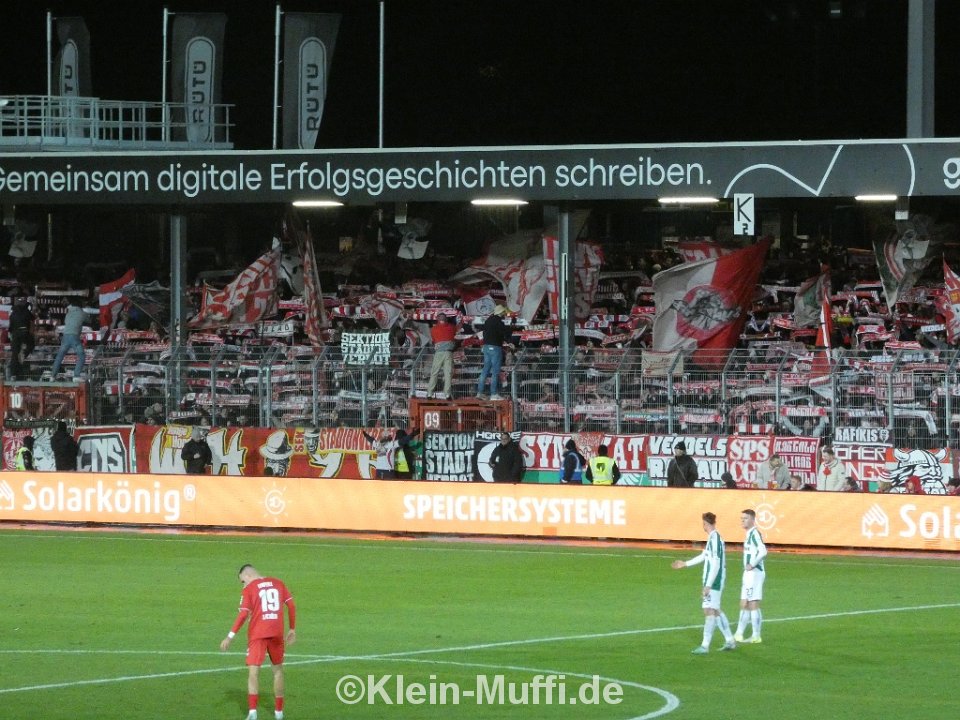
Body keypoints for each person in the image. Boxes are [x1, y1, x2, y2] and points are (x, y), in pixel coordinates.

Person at [220, 564, 296, 720]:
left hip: (258, 634)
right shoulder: (278, 583)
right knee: (278, 671)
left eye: (242, 581)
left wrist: (229, 636)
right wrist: (292, 629)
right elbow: (291, 605)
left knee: (253, 673)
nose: (243, 584)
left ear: (247, 575)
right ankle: (279, 713)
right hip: (276, 632)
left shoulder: (249, 589)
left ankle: (253, 713)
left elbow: (243, 615)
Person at [671, 511, 737, 654]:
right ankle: (730, 640)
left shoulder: (715, 539)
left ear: (705, 524)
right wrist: (685, 564)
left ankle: (705, 646)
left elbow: (716, 563)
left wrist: (708, 584)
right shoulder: (713, 538)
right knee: (715, 610)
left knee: (709, 610)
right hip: (714, 579)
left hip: (715, 580)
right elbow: (704, 556)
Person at [734, 508, 767, 644]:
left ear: (753, 520)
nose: (743, 521)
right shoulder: (748, 534)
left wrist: (752, 564)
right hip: (748, 573)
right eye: (741, 518)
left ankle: (756, 636)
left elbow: (763, 551)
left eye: (746, 518)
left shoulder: (754, 534)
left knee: (752, 603)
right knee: (744, 603)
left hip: (755, 573)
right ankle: (739, 634)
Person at [50, 298, 91, 380]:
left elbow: (66, 322)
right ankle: (76, 376)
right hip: (74, 337)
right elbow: (89, 320)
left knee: (60, 356)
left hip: (65, 336)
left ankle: (52, 376)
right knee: (81, 355)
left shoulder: (68, 313)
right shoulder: (82, 313)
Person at [476, 304, 508, 400]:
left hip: (486, 347)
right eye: (503, 313)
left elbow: (484, 333)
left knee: (485, 370)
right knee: (495, 371)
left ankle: (479, 393)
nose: (504, 314)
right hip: (495, 348)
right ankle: (493, 394)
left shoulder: (488, 320)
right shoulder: (499, 322)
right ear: (501, 313)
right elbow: (504, 334)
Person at [425, 314, 458, 399]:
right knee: (448, 374)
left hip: (438, 353)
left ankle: (429, 393)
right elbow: (456, 335)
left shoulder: (433, 329)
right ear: (446, 319)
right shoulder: (452, 327)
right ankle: (447, 394)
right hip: (448, 353)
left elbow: (433, 340)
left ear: (437, 320)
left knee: (434, 373)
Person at [8, 297, 35, 380]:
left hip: (15, 333)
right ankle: (24, 353)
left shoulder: (13, 313)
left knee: (14, 354)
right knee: (31, 344)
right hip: (25, 332)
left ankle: (13, 374)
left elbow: (10, 326)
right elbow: (33, 319)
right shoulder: (27, 312)